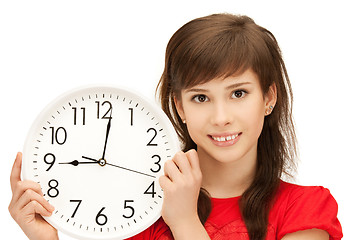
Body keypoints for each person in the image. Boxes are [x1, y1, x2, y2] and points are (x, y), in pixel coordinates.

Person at [9, 13, 343, 240]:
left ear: (269, 97)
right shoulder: (138, 214)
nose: (220, 117)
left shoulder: (306, 210)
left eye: (238, 93)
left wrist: (184, 222)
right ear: (179, 106)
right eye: (200, 98)